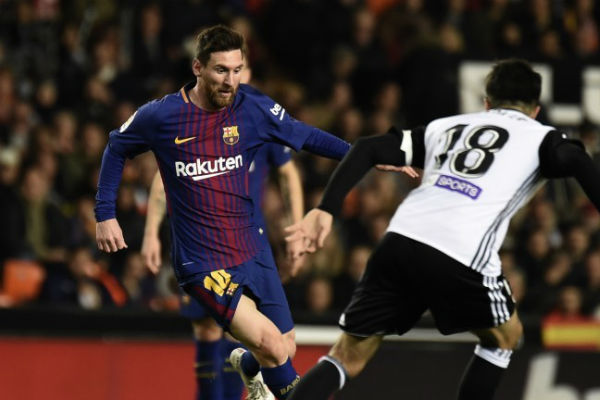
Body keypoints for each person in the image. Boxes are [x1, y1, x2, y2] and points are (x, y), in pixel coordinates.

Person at [285, 59, 600, 400]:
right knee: (506, 337)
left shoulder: (446, 126)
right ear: (535, 110)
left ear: (487, 103)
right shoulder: (543, 138)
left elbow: (367, 147)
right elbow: (579, 161)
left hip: (401, 239)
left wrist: (325, 208)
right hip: (461, 251)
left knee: (347, 356)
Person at [94, 25, 352, 400]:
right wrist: (105, 213)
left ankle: (246, 364)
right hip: (202, 262)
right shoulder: (162, 116)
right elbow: (116, 147)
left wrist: (361, 155)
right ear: (198, 67)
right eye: (221, 70)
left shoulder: (252, 107)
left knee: (284, 345)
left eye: (236, 70)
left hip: (251, 246)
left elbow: (305, 135)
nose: (230, 81)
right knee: (269, 346)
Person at [141, 138, 305, 400]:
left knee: (276, 343)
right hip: (201, 246)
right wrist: (151, 233)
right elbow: (164, 177)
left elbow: (288, 173)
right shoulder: (194, 124)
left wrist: (298, 232)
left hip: (249, 246)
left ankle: (246, 370)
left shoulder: (261, 120)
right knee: (207, 328)